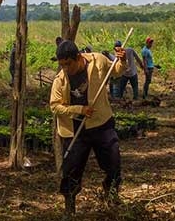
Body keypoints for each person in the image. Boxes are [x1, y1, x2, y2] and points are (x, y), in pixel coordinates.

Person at [50, 40, 127, 218]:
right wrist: (79, 110)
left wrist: (121, 60)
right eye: (62, 65)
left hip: (101, 124)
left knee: (113, 163)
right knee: (71, 170)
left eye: (68, 64)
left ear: (78, 57)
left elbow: (115, 71)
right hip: (74, 129)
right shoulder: (60, 80)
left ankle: (110, 192)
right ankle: (69, 206)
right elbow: (55, 107)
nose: (65, 69)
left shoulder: (98, 61)